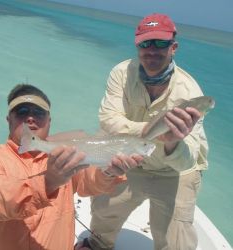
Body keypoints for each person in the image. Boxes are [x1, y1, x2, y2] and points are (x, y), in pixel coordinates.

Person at [77, 13, 209, 250]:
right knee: (103, 210)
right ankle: (98, 243)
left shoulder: (189, 93)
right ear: (137, 46)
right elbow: (108, 120)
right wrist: (157, 131)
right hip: (131, 159)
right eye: (146, 43)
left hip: (174, 172)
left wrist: (172, 143)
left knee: (176, 241)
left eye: (160, 43)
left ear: (173, 47)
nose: (152, 50)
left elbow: (187, 160)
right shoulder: (121, 73)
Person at [0, 84, 143, 250]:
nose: (30, 118)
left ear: (49, 121)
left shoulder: (64, 152)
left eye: (38, 112)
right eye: (22, 112)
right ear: (9, 120)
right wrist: (48, 182)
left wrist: (109, 172)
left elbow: (91, 183)